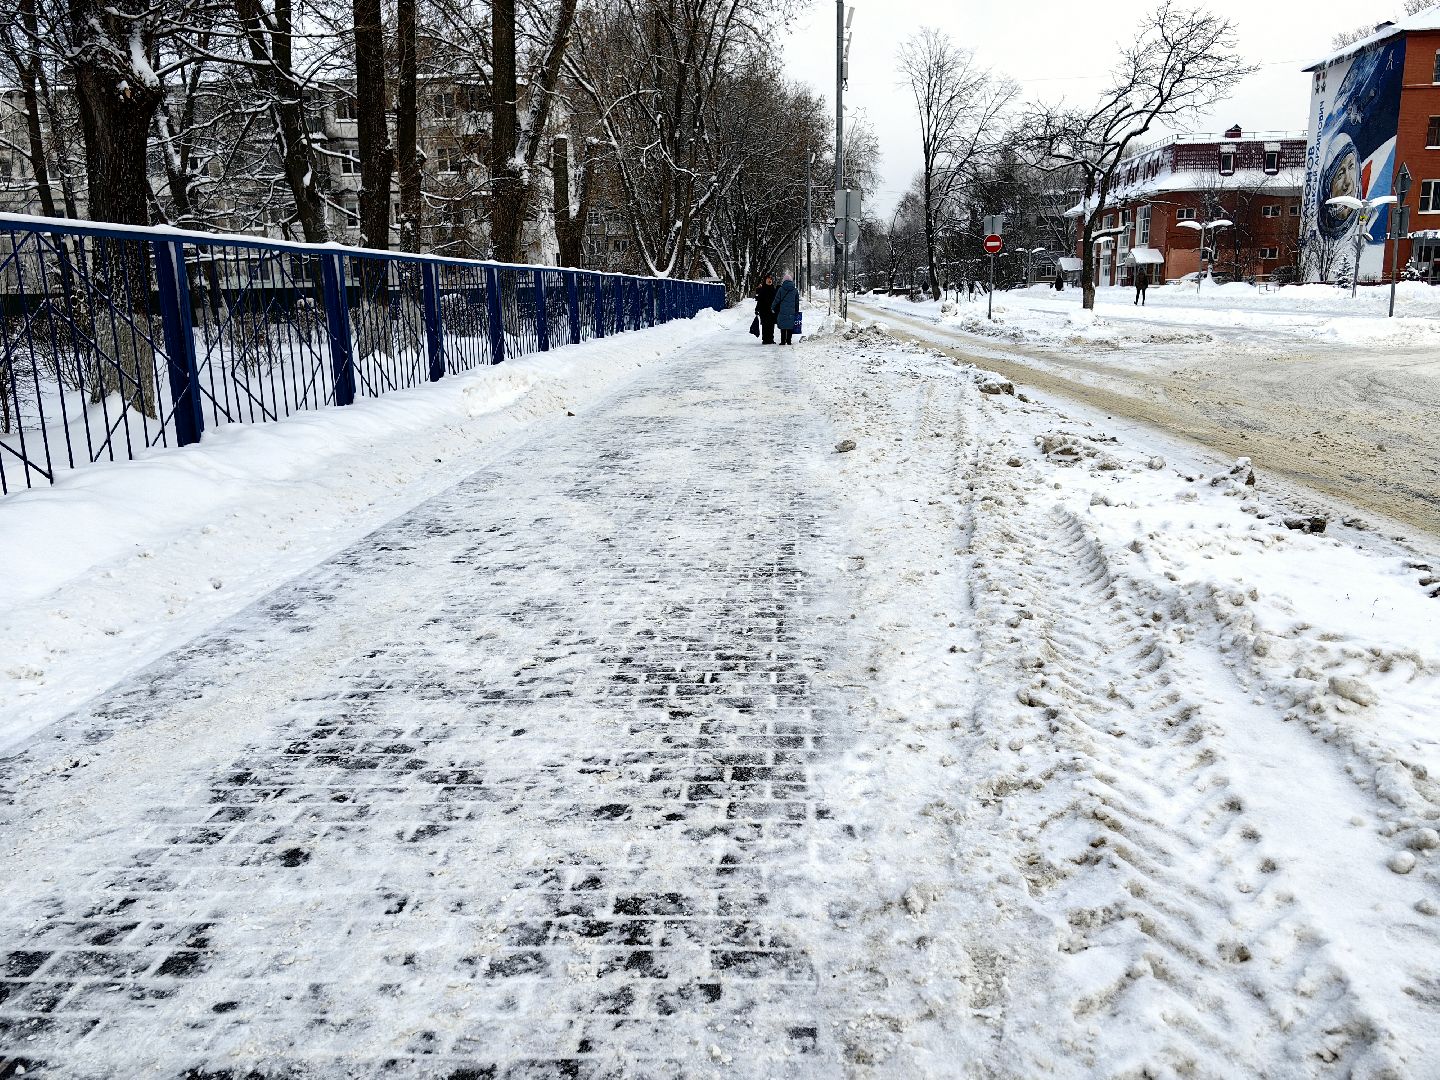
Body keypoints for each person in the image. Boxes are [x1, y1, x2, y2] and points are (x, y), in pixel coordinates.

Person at [772, 271, 799, 346]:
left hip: (782, 310)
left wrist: (773, 307)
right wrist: (797, 310)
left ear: (784, 281)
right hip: (791, 311)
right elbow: (797, 302)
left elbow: (776, 299)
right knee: (790, 326)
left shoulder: (781, 289)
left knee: (783, 325)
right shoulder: (795, 290)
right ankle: (789, 341)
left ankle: (783, 341)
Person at [755, 273, 778, 344]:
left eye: (771, 279)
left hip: (772, 310)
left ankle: (771, 339)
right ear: (765, 280)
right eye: (768, 279)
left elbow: (776, 299)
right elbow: (759, 300)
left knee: (771, 325)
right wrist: (757, 309)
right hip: (764, 310)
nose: (770, 280)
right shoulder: (762, 290)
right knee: (765, 325)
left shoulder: (773, 289)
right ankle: (765, 339)